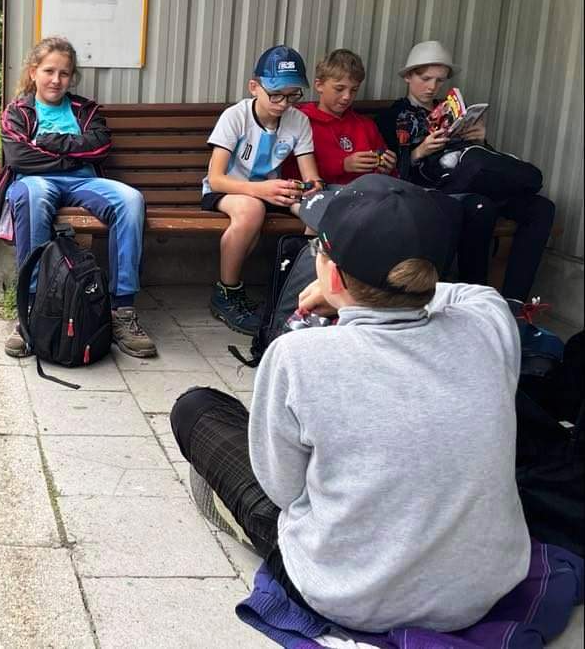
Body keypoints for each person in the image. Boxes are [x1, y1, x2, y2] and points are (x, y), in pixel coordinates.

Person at [171, 174, 531, 633]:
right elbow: (472, 294)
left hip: (349, 595)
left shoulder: (297, 355)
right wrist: (371, 293)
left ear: (332, 273)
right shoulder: (488, 323)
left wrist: (341, 298)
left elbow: (284, 490)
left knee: (197, 408)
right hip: (484, 590)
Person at [0, 36, 157, 359]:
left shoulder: (86, 110)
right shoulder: (18, 112)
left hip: (84, 183)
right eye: (49, 71)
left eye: (64, 73)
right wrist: (73, 154)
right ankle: (31, 310)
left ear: (72, 77)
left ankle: (122, 310)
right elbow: (18, 158)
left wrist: (49, 142)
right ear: (33, 72)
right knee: (33, 197)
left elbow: (100, 146)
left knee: (130, 200)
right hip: (35, 181)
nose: (56, 80)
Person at [376, 40, 555, 301]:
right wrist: (419, 151)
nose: (432, 87)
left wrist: (480, 140)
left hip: (474, 178)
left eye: (439, 80)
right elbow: (392, 172)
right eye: (425, 79)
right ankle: (476, 300)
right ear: (408, 77)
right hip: (436, 187)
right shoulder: (393, 116)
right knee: (480, 205)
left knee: (542, 208)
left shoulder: (452, 110)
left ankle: (515, 303)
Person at [204, 45, 322, 334]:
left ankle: (295, 296)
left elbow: (313, 178)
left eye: (292, 95)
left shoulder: (298, 121)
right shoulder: (236, 116)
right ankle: (227, 292)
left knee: (318, 210)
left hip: (272, 191)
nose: (283, 104)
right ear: (254, 87)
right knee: (251, 209)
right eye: (276, 95)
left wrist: (306, 188)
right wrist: (261, 190)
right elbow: (216, 178)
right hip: (230, 189)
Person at [282, 48, 395, 184]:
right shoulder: (301, 121)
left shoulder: (366, 126)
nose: (347, 96)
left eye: (354, 90)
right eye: (339, 89)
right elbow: (290, 174)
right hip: (322, 194)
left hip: (367, 193)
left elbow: (388, 177)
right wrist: (342, 166)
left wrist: (387, 168)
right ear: (319, 85)